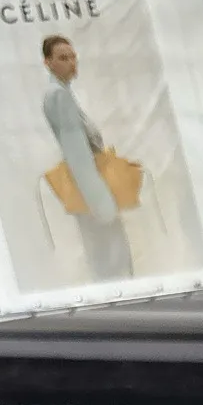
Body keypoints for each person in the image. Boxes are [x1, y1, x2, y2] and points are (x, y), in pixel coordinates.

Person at [41, 34, 133, 282]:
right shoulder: (58, 96)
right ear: (48, 62)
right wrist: (102, 204)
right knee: (111, 264)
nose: (71, 63)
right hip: (92, 195)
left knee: (108, 262)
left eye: (73, 57)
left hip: (91, 190)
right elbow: (77, 154)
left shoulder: (63, 93)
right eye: (63, 58)